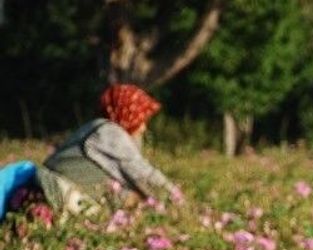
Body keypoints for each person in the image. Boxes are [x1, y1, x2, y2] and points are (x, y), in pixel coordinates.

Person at [2, 84, 182, 223]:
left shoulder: (94, 127)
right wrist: (177, 200)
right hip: (60, 195)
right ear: (127, 113)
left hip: (46, 190)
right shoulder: (110, 133)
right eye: (140, 120)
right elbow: (143, 174)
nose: (143, 128)